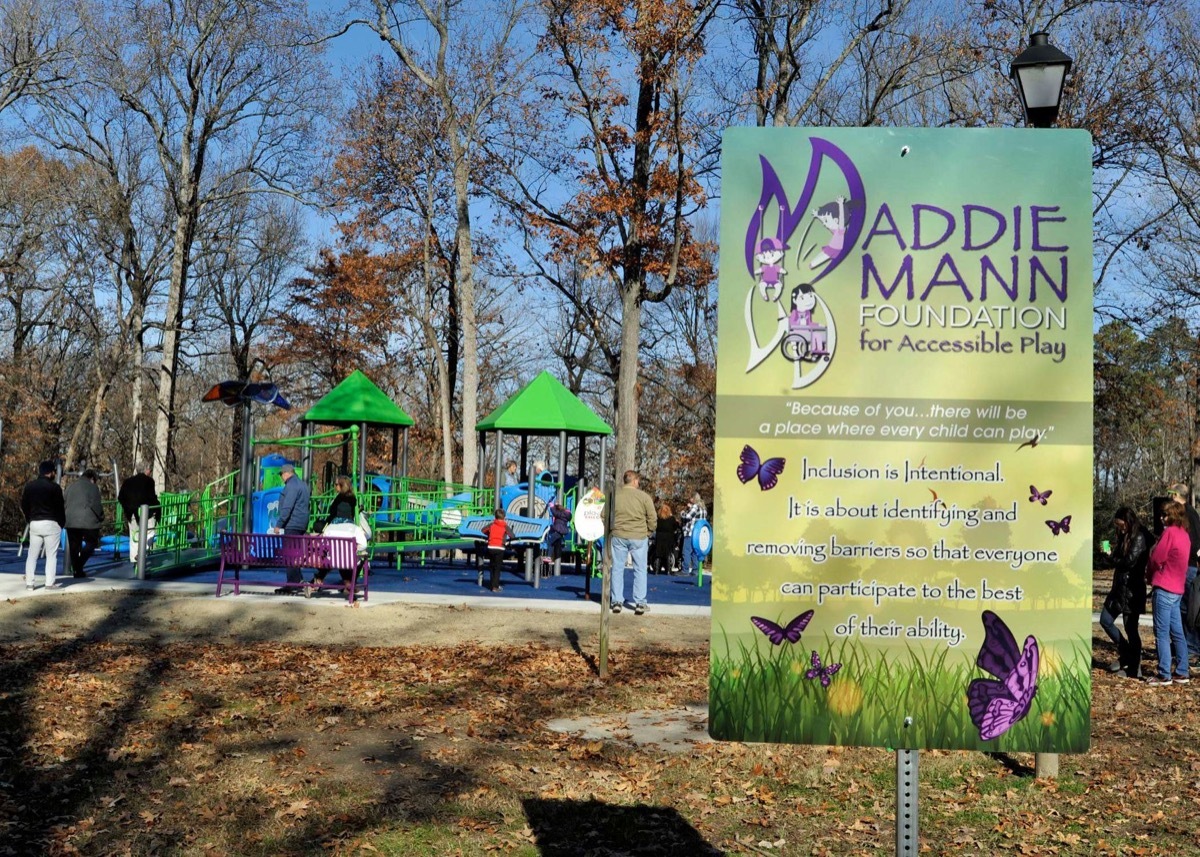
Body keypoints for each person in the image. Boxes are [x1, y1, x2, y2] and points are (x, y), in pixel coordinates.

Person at [1146, 500, 1192, 685]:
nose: (1161, 518)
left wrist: (1149, 575)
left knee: (1162, 633)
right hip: (1178, 589)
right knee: (1178, 633)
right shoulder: (1185, 535)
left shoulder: (1170, 532)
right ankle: (1182, 671)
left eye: (1164, 515)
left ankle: (1164, 673)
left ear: (1171, 516)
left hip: (1164, 588)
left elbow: (1157, 558)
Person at [1101, 507, 1150, 678]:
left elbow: (1129, 561)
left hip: (1132, 590)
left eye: (1120, 524)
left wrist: (1111, 558)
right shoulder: (1125, 535)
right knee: (1105, 620)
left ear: (1127, 521)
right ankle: (1127, 652)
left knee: (1131, 629)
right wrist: (1107, 554)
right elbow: (1119, 558)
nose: (1119, 528)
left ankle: (1134, 666)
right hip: (1119, 587)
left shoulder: (1139, 536)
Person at [609, 470, 656, 615]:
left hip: (619, 535)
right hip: (639, 536)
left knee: (617, 568)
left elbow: (604, 515)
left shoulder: (614, 495)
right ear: (635, 481)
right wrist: (648, 532)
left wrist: (612, 529)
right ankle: (640, 603)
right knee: (640, 570)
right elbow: (652, 518)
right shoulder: (644, 497)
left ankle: (616, 601)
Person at [1167, 483, 1200, 665]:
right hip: (1185, 567)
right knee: (1182, 608)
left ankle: (1193, 648)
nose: (1169, 497)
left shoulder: (1190, 515)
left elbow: (1195, 543)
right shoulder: (1185, 514)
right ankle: (1185, 645)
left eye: (1170, 494)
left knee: (1188, 609)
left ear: (1176, 495)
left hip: (1189, 568)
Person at [20, 460, 66, 590]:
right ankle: (49, 583)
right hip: (51, 523)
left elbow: (24, 505)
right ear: (51, 472)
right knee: (51, 555)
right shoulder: (54, 488)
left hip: (35, 523)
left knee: (32, 555)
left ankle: (30, 583)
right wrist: (61, 523)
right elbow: (60, 508)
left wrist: (30, 519)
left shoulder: (29, 486)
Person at [311, 474, 357, 594]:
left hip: (336, 530)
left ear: (342, 485)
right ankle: (347, 582)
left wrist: (325, 525)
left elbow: (332, 514)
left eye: (336, 484)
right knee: (341, 557)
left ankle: (319, 578)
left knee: (331, 556)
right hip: (348, 531)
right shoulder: (353, 498)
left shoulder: (340, 499)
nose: (334, 486)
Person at [272, 463, 311, 594]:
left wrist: (279, 524)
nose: (281, 477)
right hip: (302, 524)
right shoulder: (303, 485)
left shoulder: (292, 486)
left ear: (287, 473)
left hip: (292, 524)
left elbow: (287, 507)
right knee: (296, 554)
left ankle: (292, 583)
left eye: (282, 474)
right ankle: (297, 581)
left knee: (289, 555)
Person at [64, 468, 104, 578]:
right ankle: (78, 566)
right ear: (92, 478)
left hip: (71, 521)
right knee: (91, 543)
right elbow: (96, 505)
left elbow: (64, 502)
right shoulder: (92, 488)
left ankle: (77, 570)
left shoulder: (70, 486)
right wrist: (101, 517)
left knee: (74, 546)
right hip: (88, 522)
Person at [118, 464, 159, 564]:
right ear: (147, 470)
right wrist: (156, 510)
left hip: (131, 512)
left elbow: (120, 497)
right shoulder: (149, 481)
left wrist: (127, 507)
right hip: (146, 513)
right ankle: (141, 553)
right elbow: (152, 498)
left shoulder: (127, 482)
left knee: (133, 536)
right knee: (150, 533)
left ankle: (133, 562)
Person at [483, 508, 514, 592]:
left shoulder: (492, 524)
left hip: (491, 547)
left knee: (492, 566)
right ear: (504, 517)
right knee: (497, 568)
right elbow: (512, 535)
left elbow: (483, 530)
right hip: (500, 547)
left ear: (495, 517)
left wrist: (489, 534)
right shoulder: (505, 526)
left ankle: (492, 584)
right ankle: (495, 586)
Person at [680, 491, 707, 578]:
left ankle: (685, 570)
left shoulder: (695, 506)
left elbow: (688, 516)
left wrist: (682, 513)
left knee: (686, 551)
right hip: (698, 534)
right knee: (695, 552)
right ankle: (695, 570)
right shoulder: (703, 508)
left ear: (693, 498)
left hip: (690, 531)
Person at [544, 499, 572, 567]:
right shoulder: (566, 514)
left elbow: (555, 513)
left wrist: (552, 506)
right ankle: (552, 556)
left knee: (549, 542)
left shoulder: (562, 513)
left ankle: (549, 557)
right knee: (555, 544)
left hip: (559, 531)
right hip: (561, 531)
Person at [652, 503, 679, 575]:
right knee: (668, 554)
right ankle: (668, 571)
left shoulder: (658, 519)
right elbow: (676, 527)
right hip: (669, 538)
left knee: (658, 554)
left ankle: (657, 570)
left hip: (659, 538)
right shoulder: (672, 519)